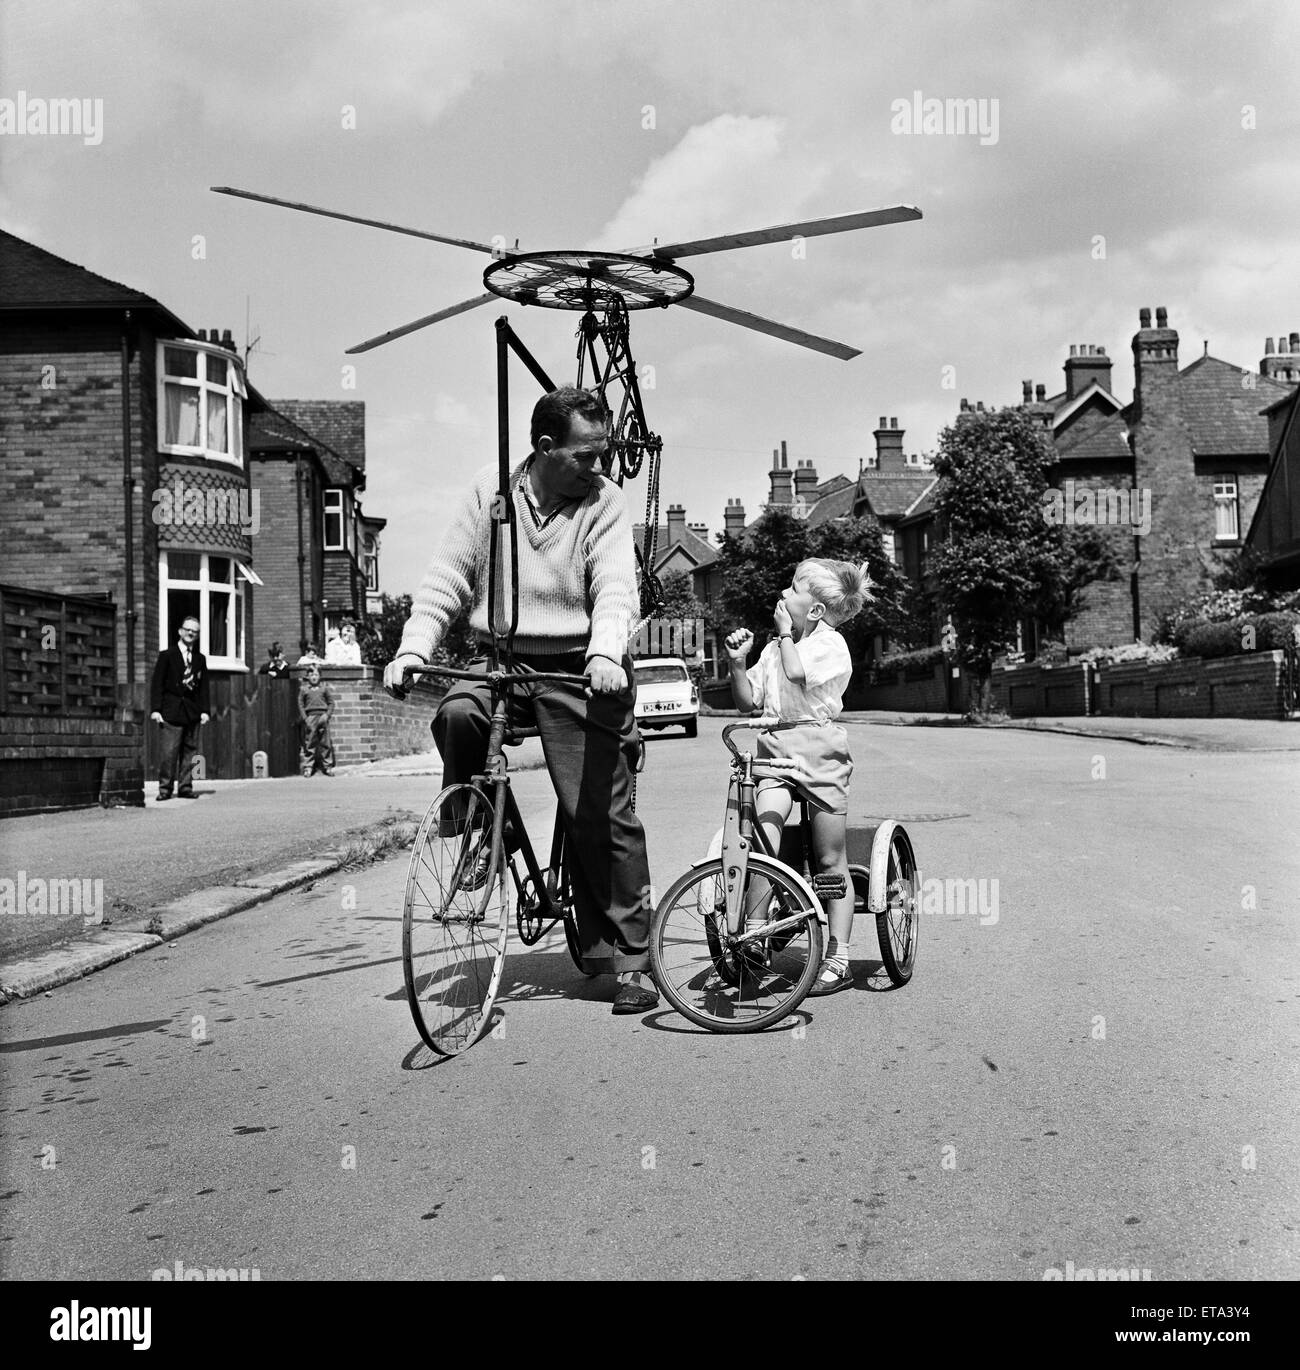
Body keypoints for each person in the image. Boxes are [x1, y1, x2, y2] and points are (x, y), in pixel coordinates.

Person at [382, 386, 657, 1015]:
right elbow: (448, 575)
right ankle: (484, 830)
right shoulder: (491, 491)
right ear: (544, 447)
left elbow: (616, 585)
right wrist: (412, 648)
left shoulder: (604, 502)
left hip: (581, 667)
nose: (599, 467)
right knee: (457, 714)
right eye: (587, 455)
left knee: (600, 815)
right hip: (501, 657)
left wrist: (607, 654)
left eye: (604, 453)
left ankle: (631, 958)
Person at [725, 558, 873, 995]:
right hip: (774, 747)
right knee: (763, 836)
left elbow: (798, 674)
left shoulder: (830, 645)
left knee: (830, 859)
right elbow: (749, 702)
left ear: (815, 612)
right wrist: (737, 663)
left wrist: (785, 635)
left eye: (792, 589)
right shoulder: (772, 649)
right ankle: (753, 935)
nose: (783, 593)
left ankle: (839, 956)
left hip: (820, 750)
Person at [150, 614, 210, 801]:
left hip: (191, 712)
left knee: (190, 752)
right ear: (180, 631)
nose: (191, 633)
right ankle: (165, 789)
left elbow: (204, 688)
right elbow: (157, 684)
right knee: (169, 752)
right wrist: (156, 709)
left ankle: (185, 787)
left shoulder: (199, 659)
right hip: (171, 711)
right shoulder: (167, 655)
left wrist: (205, 711)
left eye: (195, 631)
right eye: (188, 629)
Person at [299, 664, 336, 776]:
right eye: (311, 674)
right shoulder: (304, 690)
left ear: (320, 676)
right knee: (309, 743)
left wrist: (327, 715)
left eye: (316, 674)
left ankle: (327, 766)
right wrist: (305, 719)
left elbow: (331, 703)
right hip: (310, 718)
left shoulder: (324, 689)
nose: (314, 677)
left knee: (325, 743)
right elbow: (300, 704)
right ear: (308, 676)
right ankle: (308, 767)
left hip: (322, 717)